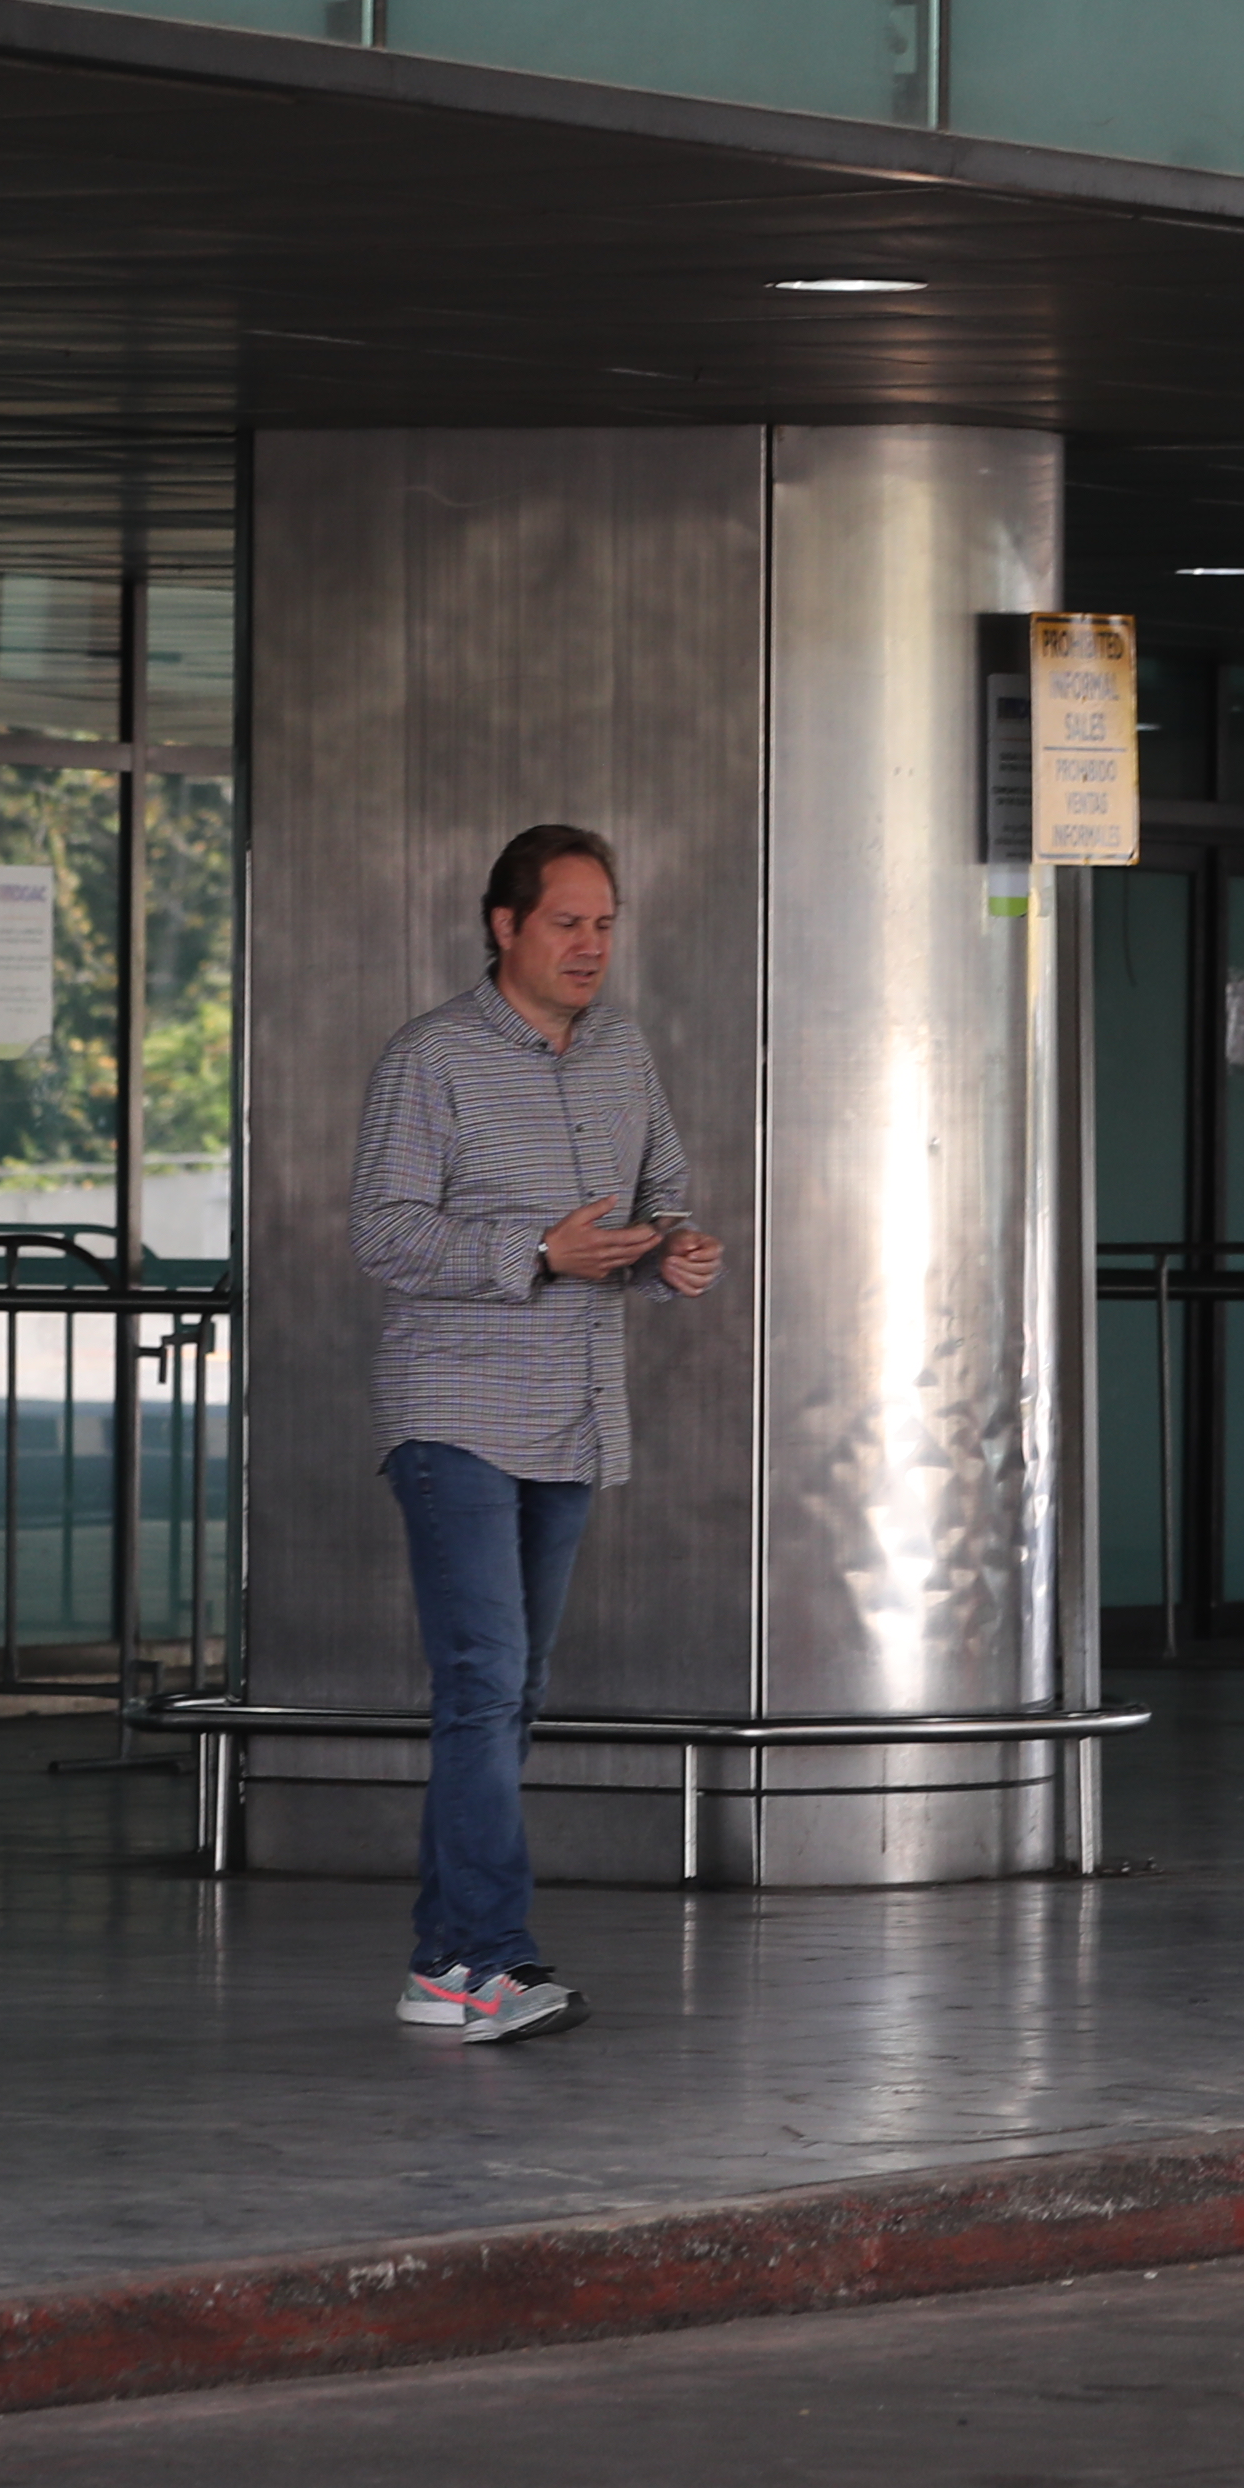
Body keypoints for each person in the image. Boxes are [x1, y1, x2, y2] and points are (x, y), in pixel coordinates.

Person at [347, 822, 719, 2045]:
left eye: (605, 923)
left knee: (507, 1696)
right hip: (455, 1414)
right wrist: (534, 1253)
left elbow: (661, 1193)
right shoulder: (433, 1058)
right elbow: (384, 1235)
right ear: (503, 925)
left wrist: (675, 1253)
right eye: (567, 922)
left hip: (573, 1413)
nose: (590, 946)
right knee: (482, 1683)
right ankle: (484, 1957)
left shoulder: (620, 1052)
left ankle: (446, 1963)